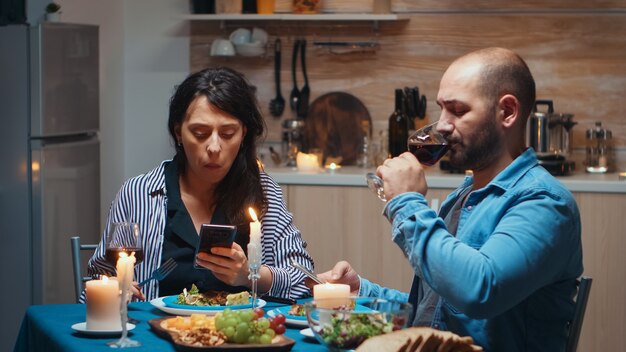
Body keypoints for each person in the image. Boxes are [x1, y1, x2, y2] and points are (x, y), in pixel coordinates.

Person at [314, 48, 583, 352]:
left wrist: (406, 201)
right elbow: (437, 310)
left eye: (457, 110)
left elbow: (479, 290)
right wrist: (362, 291)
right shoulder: (465, 195)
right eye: (441, 109)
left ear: (507, 112)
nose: (441, 125)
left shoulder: (544, 204)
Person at [86, 67, 314, 302]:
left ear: (244, 134)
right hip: (156, 333)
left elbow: (304, 279)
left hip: (240, 336)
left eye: (227, 134)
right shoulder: (139, 194)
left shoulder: (263, 191)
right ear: (178, 133)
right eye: (200, 133)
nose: (214, 147)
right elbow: (96, 281)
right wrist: (110, 287)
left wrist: (250, 276)